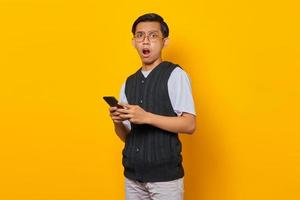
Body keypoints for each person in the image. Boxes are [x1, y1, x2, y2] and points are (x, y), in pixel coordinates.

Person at [108, 13, 196, 200]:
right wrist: (117, 122)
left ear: (165, 41)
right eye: (140, 36)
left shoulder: (175, 75)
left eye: (153, 35)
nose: (145, 41)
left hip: (165, 179)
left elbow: (189, 125)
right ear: (133, 42)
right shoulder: (128, 82)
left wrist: (146, 117)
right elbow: (128, 137)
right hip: (132, 176)